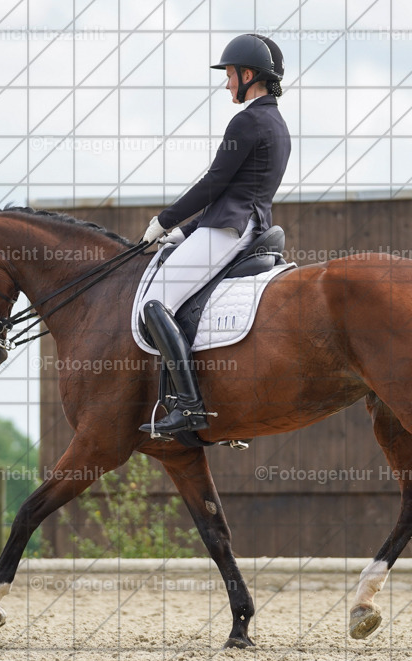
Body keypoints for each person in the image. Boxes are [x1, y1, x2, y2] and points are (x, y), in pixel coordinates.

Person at [138, 33, 291, 438]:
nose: (226, 84)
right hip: (248, 224)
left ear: (247, 74)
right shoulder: (277, 123)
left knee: (155, 301)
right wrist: (185, 232)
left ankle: (189, 407)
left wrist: (164, 220)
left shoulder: (248, 120)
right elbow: (235, 189)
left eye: (228, 75)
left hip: (232, 228)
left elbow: (214, 183)